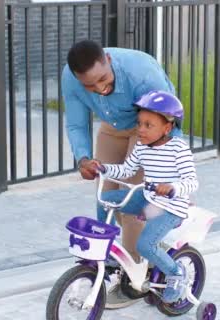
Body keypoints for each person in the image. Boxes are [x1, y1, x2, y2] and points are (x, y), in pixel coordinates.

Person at [61, 39, 181, 308]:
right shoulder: (70, 77)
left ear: (108, 59)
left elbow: (169, 122)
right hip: (112, 125)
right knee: (105, 196)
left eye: (103, 79)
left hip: (148, 127)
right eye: (89, 86)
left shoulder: (142, 73)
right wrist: (83, 158)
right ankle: (106, 263)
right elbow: (76, 123)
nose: (99, 89)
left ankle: (134, 278)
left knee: (131, 201)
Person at [86, 90, 198, 304]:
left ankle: (176, 273)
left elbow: (192, 181)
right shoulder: (142, 146)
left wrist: (173, 187)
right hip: (148, 199)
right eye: (140, 124)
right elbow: (127, 170)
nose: (141, 130)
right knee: (105, 199)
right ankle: (106, 250)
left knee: (145, 245)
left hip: (170, 207)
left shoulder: (178, 149)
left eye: (149, 125)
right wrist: (103, 168)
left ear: (167, 127)